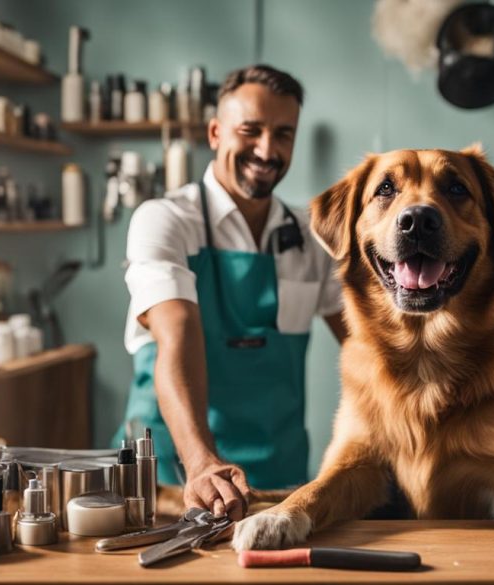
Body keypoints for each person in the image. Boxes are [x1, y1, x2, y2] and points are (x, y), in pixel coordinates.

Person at [116, 65, 346, 521]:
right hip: (168, 483)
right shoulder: (164, 221)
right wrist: (201, 464)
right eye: (251, 131)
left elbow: (367, 343)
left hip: (279, 487)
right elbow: (177, 334)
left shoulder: (312, 236)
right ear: (216, 132)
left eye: (283, 134)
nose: (267, 149)